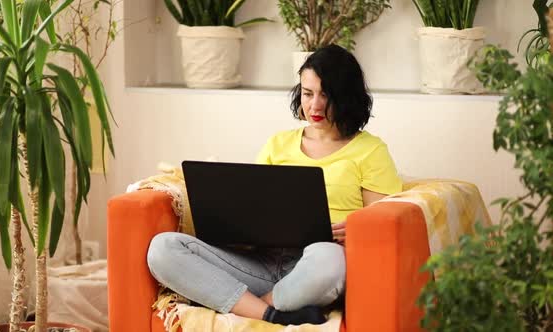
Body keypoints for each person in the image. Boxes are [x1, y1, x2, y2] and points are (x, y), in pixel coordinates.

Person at [147, 44, 402, 326]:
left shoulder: (371, 151)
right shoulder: (278, 143)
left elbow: (385, 224)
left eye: (326, 95)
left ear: (346, 97)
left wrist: (355, 228)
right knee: (163, 248)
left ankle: (241, 301)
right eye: (307, 93)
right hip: (260, 262)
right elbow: (253, 202)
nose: (314, 106)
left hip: (316, 266)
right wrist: (234, 224)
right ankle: (271, 314)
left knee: (329, 258)